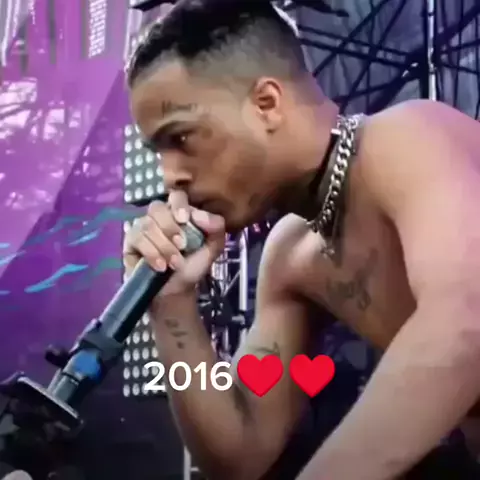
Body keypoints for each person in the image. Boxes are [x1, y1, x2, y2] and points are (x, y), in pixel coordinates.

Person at [124, 0, 480, 478]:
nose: (171, 177)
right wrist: (172, 306)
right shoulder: (292, 255)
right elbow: (242, 453)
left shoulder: (406, 138)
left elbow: (467, 318)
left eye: (181, 138)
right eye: (158, 152)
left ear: (267, 104)